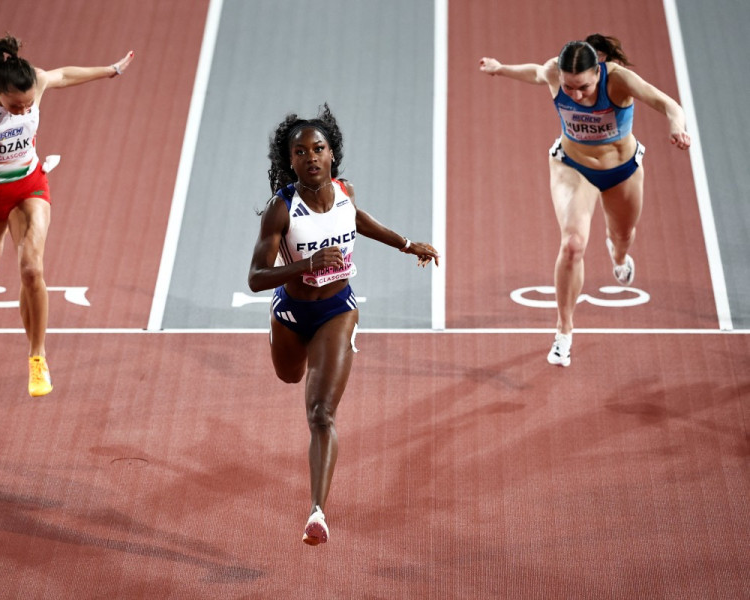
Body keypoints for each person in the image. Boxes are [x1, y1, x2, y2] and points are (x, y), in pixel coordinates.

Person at [247, 105, 440, 545]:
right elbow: (256, 278)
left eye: (319, 148)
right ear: (290, 161)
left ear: (332, 154)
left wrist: (407, 244)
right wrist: (307, 264)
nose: (311, 157)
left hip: (337, 309)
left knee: (320, 413)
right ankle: (281, 338)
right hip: (292, 314)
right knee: (288, 375)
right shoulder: (280, 211)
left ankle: (317, 512)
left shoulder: (344, 190)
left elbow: (358, 219)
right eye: (301, 152)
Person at [0, 35, 134, 396]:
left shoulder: (33, 80)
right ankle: (3, 230)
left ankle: (37, 358)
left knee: (32, 269)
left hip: (27, 186)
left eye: (28, 106)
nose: (22, 111)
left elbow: (63, 75)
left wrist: (110, 71)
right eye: (15, 108)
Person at [478, 37, 690, 366]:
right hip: (572, 167)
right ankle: (564, 331)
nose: (576, 95)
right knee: (573, 244)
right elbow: (536, 72)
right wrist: (500, 69)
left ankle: (618, 256)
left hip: (622, 171)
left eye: (584, 88)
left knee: (622, 237)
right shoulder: (553, 73)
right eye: (569, 87)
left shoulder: (618, 79)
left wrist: (677, 126)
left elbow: (668, 104)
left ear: (598, 72)